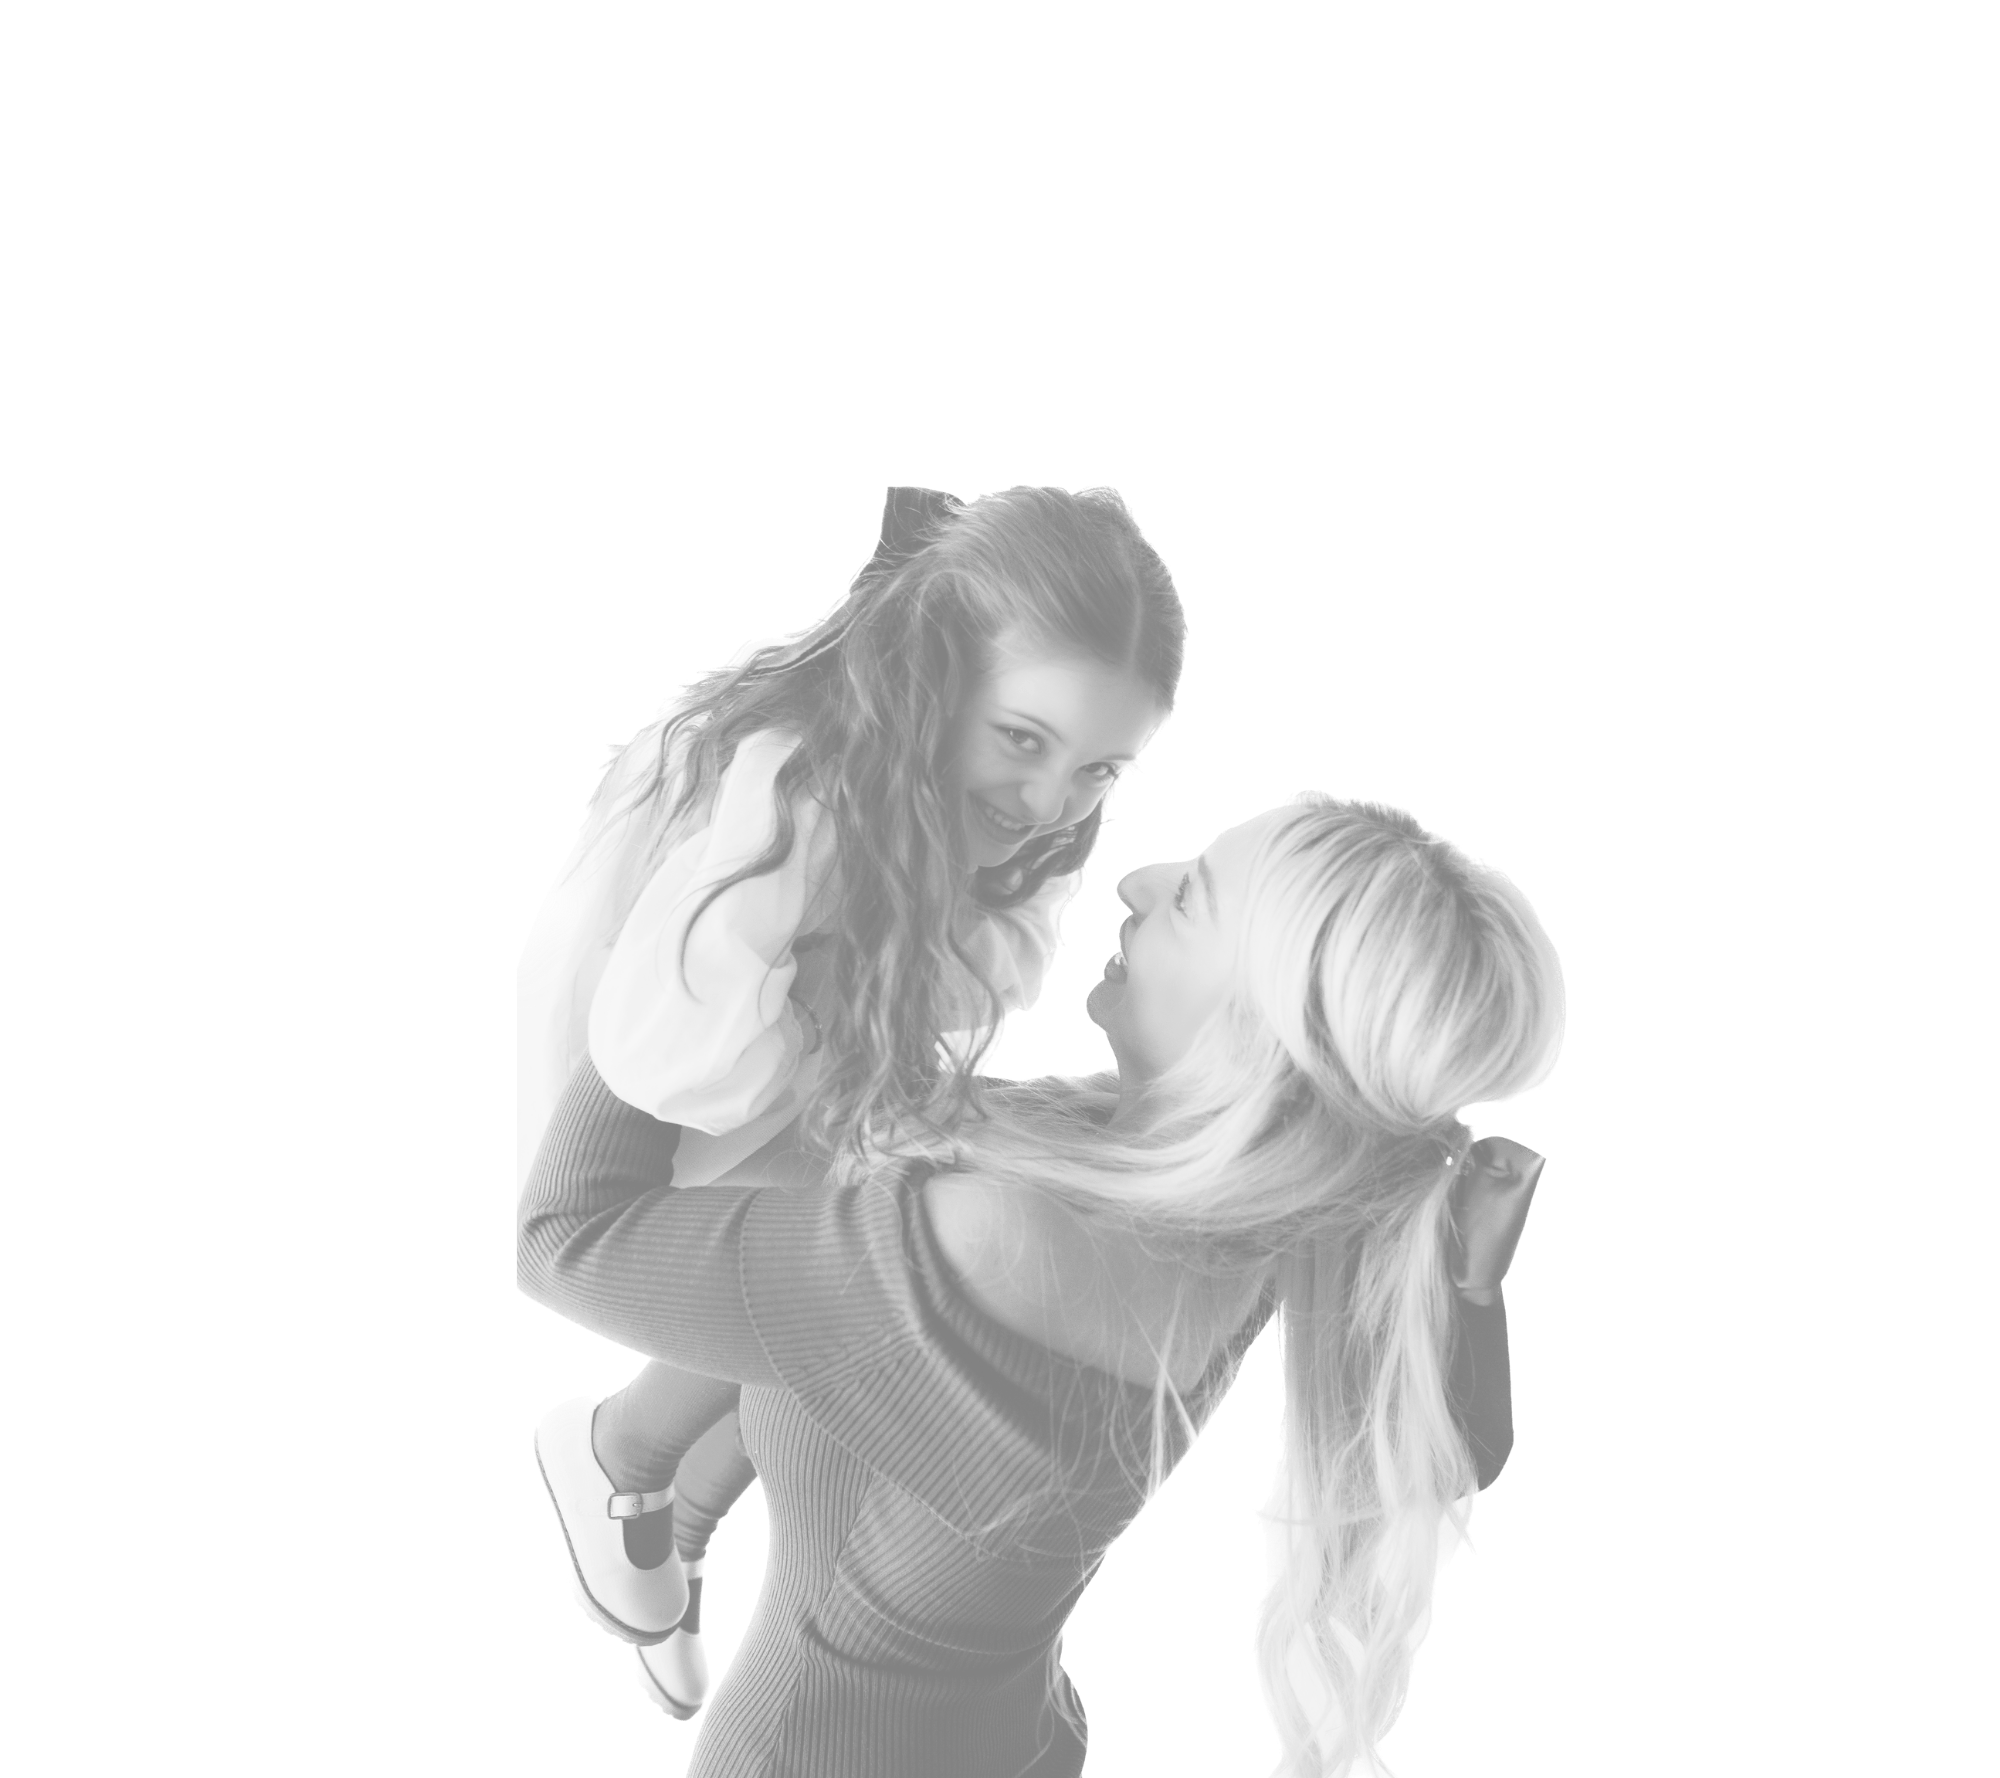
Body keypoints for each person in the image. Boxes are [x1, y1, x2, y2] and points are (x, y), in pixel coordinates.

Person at [517, 790, 1566, 1777]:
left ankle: (621, 1464)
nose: (1136, 884)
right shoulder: (1245, 1210)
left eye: (1191, 900)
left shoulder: (1004, 1240)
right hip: (1014, 1741)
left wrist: (695, 944)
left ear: (1256, 1038)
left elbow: (564, 1239)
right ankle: (642, 1478)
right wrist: (1468, 1296)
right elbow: (1446, 1445)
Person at [515, 485, 1188, 1714]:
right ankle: (622, 1455)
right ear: (938, 680)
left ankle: (664, 1487)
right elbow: (659, 1069)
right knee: (901, 1263)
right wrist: (822, 951)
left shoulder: (976, 812)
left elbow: (964, 986)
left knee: (929, 1243)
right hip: (651, 1112)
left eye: (1096, 767)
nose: (1050, 800)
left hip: (785, 1083)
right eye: (1023, 739)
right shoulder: (804, 793)